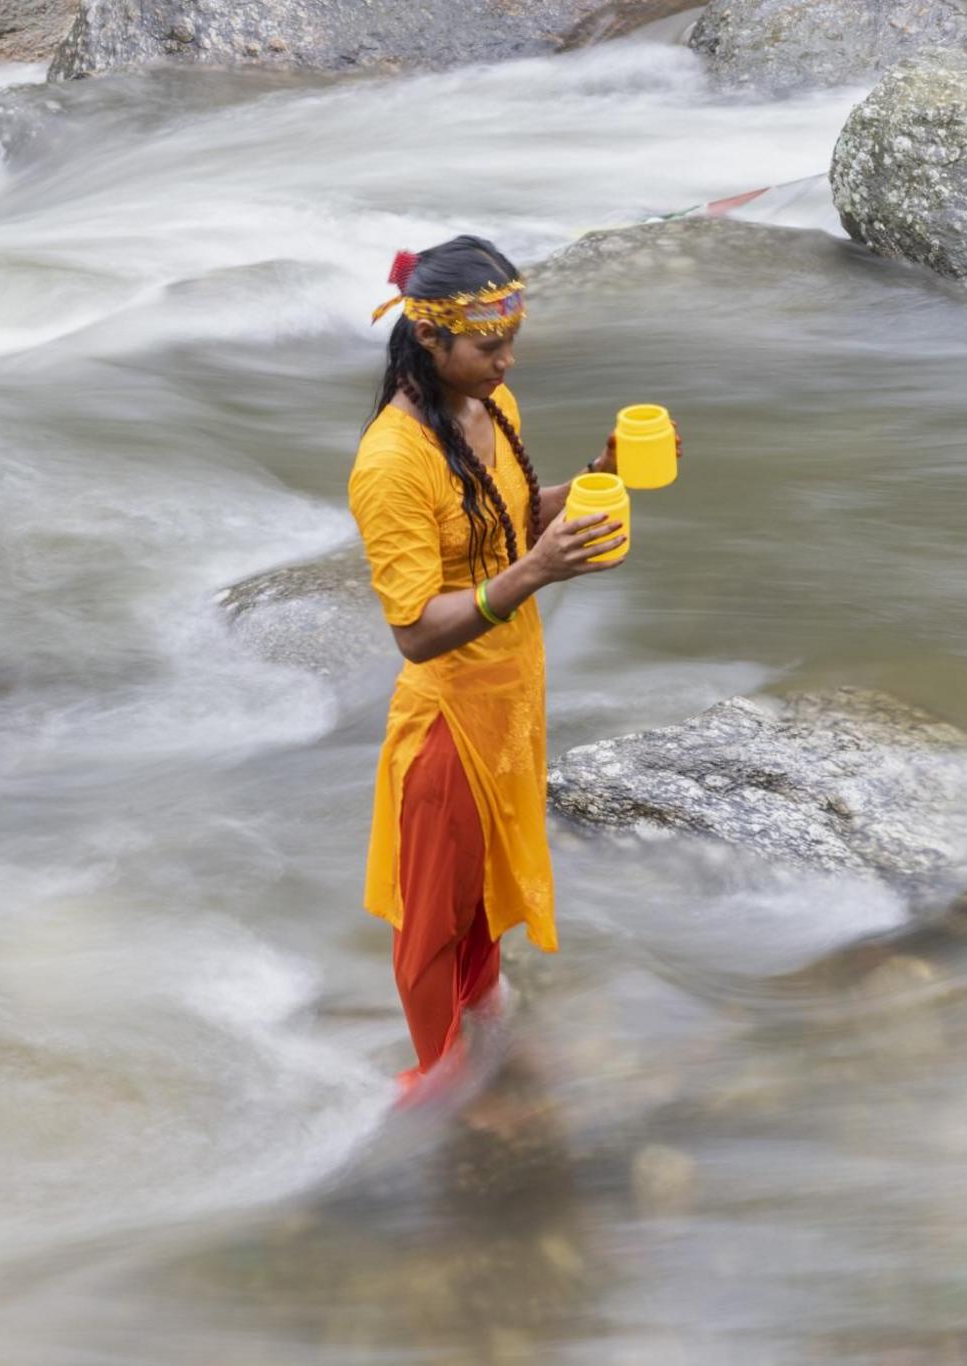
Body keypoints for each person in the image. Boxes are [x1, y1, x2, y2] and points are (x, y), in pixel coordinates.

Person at [348, 234, 632, 1097]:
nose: (506, 359)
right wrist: (537, 571)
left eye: (513, 339)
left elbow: (507, 519)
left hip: (511, 689)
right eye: (487, 345)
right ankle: (438, 1079)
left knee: (480, 885)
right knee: (432, 916)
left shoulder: (488, 406)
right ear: (429, 339)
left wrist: (594, 481)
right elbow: (416, 629)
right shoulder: (392, 463)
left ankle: (487, 1021)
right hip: (447, 719)